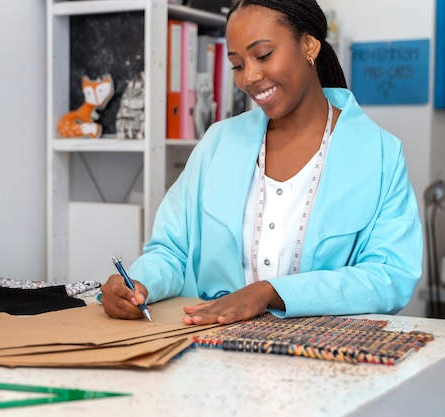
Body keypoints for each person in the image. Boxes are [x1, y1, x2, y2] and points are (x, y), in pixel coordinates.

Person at [99, 0, 422, 325]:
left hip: (322, 356)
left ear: (309, 45)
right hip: (209, 351)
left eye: (264, 55)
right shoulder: (218, 142)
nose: (249, 77)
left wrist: (270, 292)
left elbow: (388, 276)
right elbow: (171, 250)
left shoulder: (379, 153)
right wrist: (139, 284)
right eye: (237, 65)